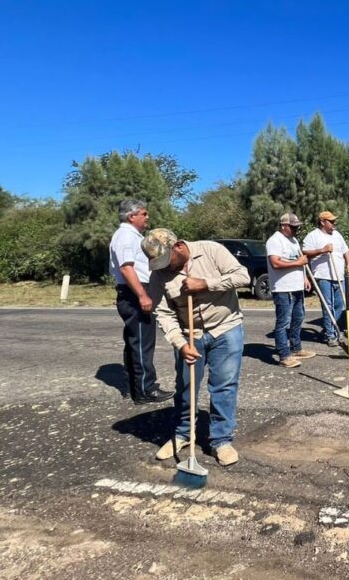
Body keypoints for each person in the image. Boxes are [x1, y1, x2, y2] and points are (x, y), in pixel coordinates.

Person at [143, 228, 250, 466]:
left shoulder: (211, 250)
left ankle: (221, 440)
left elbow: (243, 277)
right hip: (189, 334)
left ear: (179, 246)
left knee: (224, 386)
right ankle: (182, 433)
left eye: (166, 260)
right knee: (186, 385)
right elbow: (162, 312)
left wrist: (205, 284)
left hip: (226, 328)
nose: (163, 267)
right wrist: (180, 344)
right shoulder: (159, 274)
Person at [108, 199, 173, 405]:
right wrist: (143, 295)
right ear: (131, 216)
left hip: (134, 291)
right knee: (142, 342)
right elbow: (127, 268)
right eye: (144, 214)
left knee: (135, 340)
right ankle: (146, 389)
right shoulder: (126, 236)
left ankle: (135, 387)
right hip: (135, 291)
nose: (147, 217)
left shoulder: (131, 235)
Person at [266, 213, 315, 368]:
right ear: (283, 226)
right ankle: (284, 355)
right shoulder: (274, 241)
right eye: (293, 226)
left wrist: (305, 277)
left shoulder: (293, 240)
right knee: (283, 322)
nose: (296, 229)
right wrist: (298, 262)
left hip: (297, 287)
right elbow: (275, 263)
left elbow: (300, 262)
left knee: (298, 318)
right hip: (283, 289)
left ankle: (296, 348)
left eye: (297, 226)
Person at [302, 211, 349, 347]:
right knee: (328, 306)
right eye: (331, 221)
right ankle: (330, 334)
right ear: (322, 222)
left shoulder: (337, 235)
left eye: (334, 221)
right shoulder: (313, 236)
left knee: (339, 305)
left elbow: (345, 250)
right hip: (323, 276)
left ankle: (331, 328)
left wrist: (348, 263)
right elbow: (305, 252)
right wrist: (322, 250)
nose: (334, 224)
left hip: (339, 276)